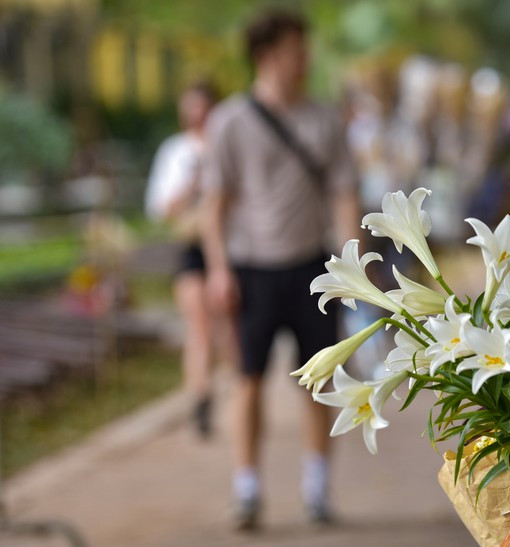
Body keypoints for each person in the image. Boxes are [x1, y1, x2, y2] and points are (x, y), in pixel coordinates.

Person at [199, 10, 360, 529]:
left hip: (314, 268)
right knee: (247, 381)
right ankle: (247, 491)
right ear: (267, 56)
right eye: (297, 50)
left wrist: (350, 266)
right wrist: (219, 270)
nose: (305, 59)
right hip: (252, 272)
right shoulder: (229, 121)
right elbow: (215, 205)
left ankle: (317, 490)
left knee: (319, 381)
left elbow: (344, 194)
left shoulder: (324, 119)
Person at [145, 81, 232, 438]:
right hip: (191, 246)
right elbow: (160, 208)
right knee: (197, 324)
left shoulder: (228, 144)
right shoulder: (175, 151)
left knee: (226, 328)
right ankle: (200, 397)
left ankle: (239, 394)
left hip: (228, 247)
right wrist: (193, 186)